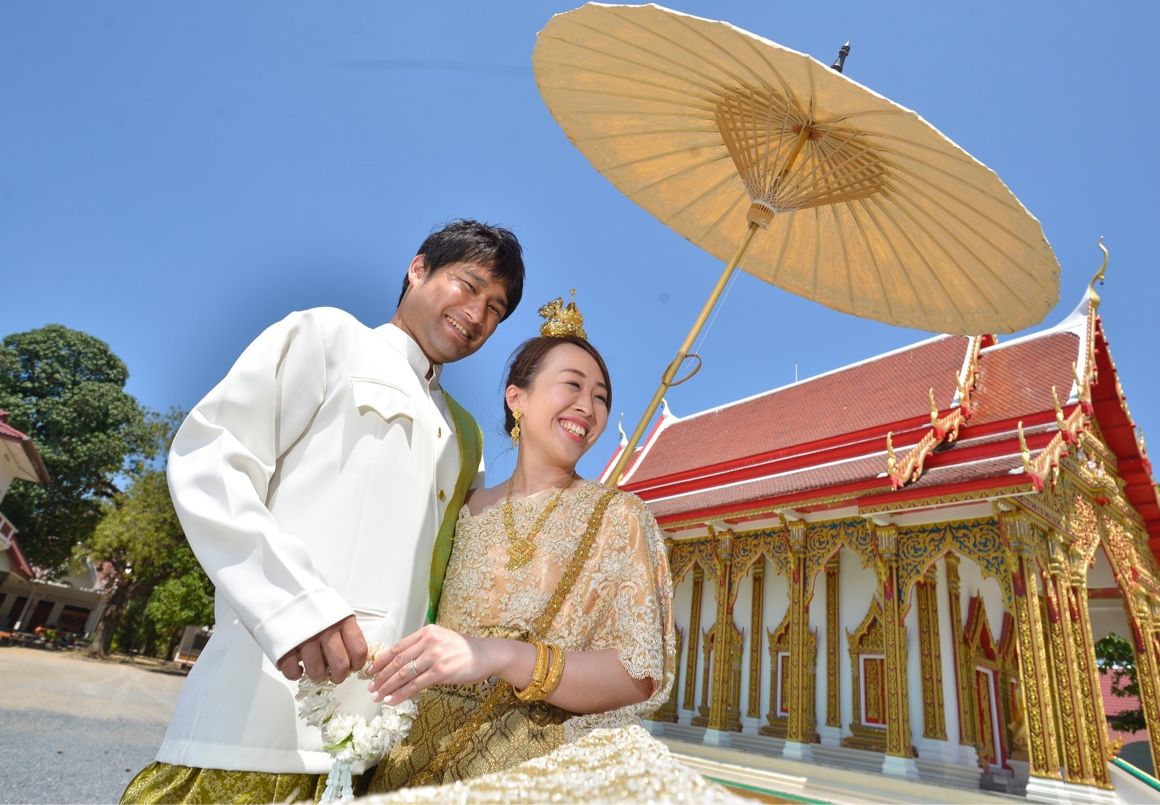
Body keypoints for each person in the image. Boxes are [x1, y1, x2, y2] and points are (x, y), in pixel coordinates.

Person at [121, 219, 525, 804]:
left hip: (383, 740)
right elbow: (211, 461)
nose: (478, 314)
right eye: (468, 285)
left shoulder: (465, 434)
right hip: (259, 718)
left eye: (496, 308)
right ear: (418, 269)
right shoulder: (328, 337)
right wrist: (293, 606)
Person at [359, 298, 733, 802]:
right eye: (572, 385)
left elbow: (639, 674)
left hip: (528, 769)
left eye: (601, 397)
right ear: (517, 397)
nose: (589, 408)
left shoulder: (618, 516)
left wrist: (498, 655)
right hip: (412, 757)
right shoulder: (463, 508)